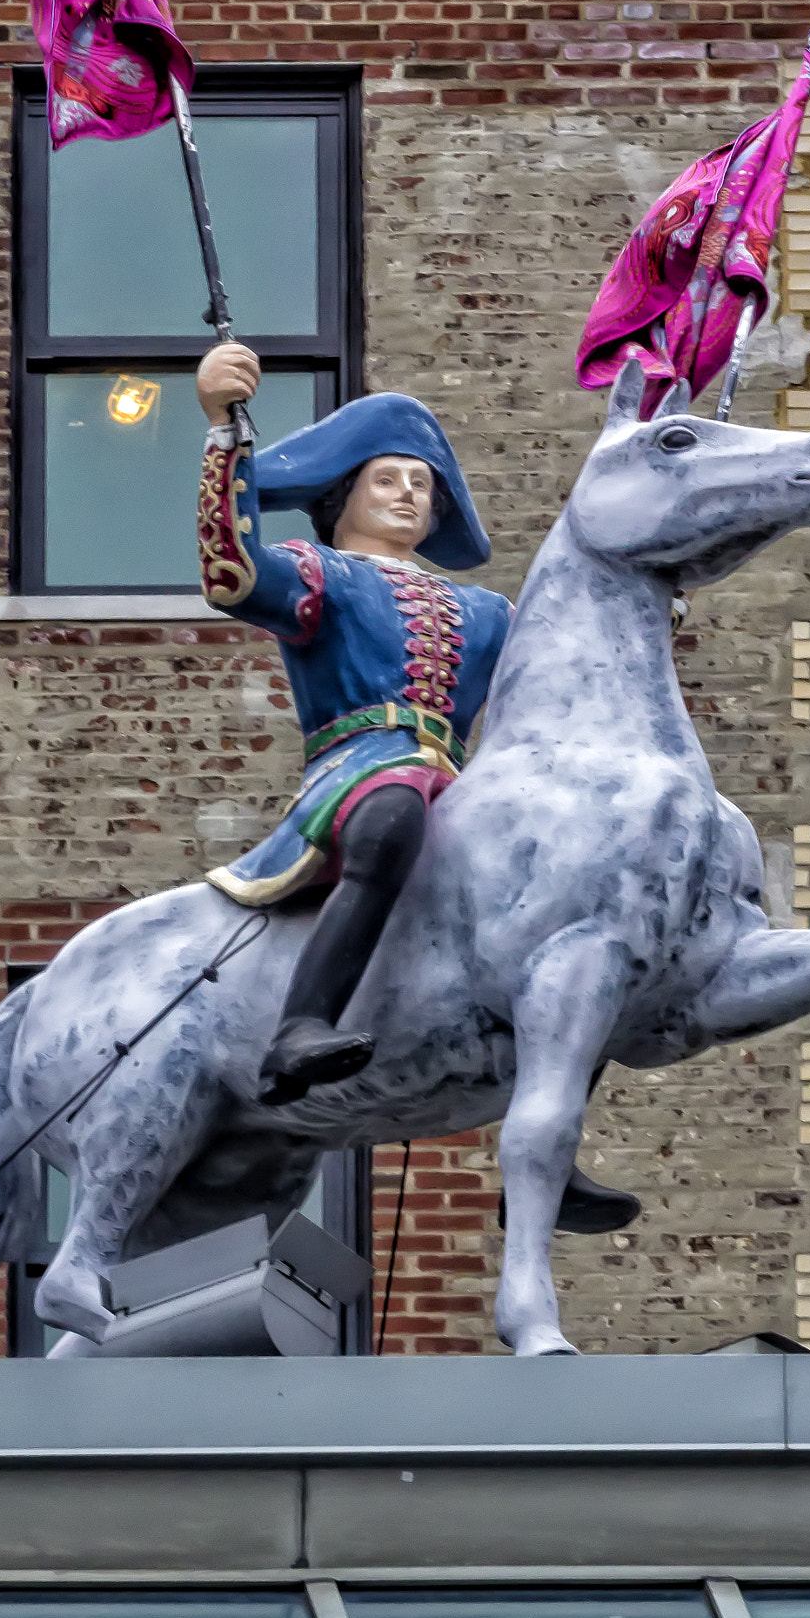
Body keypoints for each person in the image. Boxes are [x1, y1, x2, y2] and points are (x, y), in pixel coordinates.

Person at [195, 341, 514, 1106]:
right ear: (344, 496)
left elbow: (554, 679)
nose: (406, 494)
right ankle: (299, 1025)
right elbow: (230, 573)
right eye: (386, 480)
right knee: (395, 807)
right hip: (360, 768)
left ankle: (546, 1124)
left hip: (460, 780)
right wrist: (221, 434)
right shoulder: (320, 573)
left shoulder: (487, 611)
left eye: (419, 484)